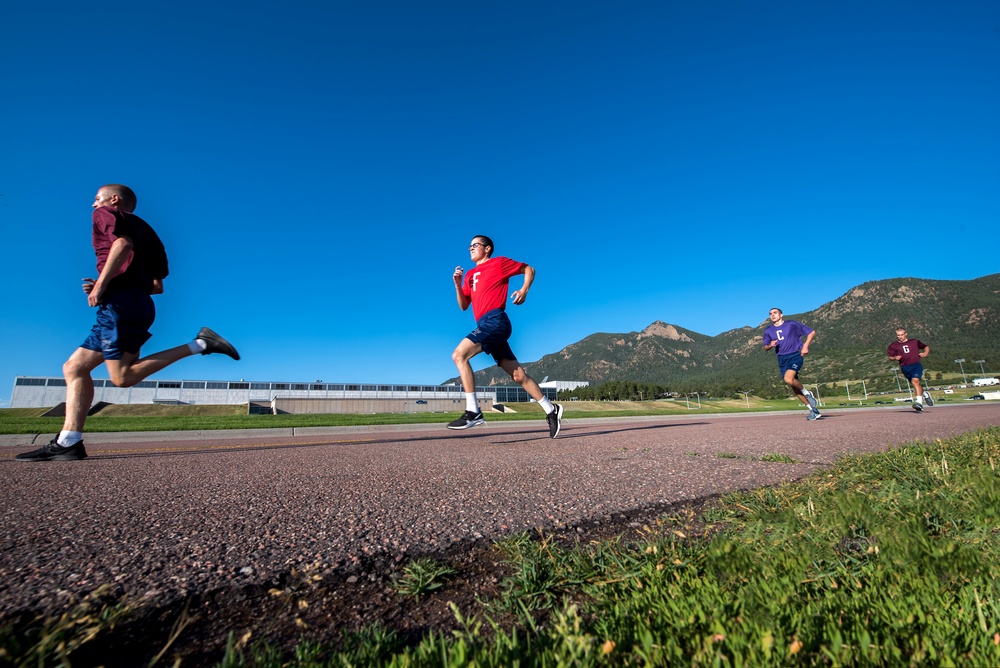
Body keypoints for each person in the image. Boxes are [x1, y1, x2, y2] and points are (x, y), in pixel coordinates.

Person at [15, 184, 240, 462]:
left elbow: (122, 244)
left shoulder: (106, 215)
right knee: (74, 367)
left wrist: (101, 285)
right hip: (137, 303)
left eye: (97, 199)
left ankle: (202, 343)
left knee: (123, 378)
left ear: (113, 200)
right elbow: (157, 287)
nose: (93, 205)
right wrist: (111, 284)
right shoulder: (150, 234)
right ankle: (68, 441)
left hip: (120, 306)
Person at [448, 235, 563, 438]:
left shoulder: (498, 263)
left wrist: (524, 290)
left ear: (487, 248)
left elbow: (529, 269)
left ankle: (473, 411)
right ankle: (551, 409)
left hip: (496, 320)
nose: (471, 249)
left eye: (475, 245)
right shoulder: (470, 275)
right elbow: (464, 305)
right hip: (484, 323)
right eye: (470, 246)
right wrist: (458, 284)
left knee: (459, 355)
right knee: (518, 375)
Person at [762, 307, 821, 420]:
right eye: (770, 314)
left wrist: (805, 346)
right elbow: (765, 347)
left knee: (788, 379)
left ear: (781, 315)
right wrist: (770, 345)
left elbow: (811, 332)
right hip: (781, 359)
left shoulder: (791, 324)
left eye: (775, 313)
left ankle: (807, 393)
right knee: (793, 385)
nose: (772, 315)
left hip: (794, 355)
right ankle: (813, 410)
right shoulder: (768, 330)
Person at [887, 327, 933, 412]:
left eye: (902, 335)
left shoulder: (914, 341)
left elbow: (925, 347)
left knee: (915, 381)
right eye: (898, 335)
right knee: (916, 384)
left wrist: (925, 353)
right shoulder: (893, 345)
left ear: (905, 334)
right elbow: (890, 357)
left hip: (916, 365)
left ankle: (919, 403)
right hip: (905, 367)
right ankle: (925, 394)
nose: (900, 337)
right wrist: (895, 358)